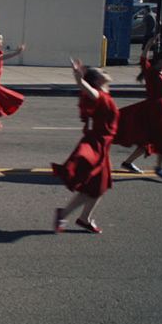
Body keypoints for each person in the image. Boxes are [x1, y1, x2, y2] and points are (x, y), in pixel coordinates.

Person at [51, 59, 118, 234]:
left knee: (99, 187)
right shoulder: (97, 94)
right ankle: (69, 215)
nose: (106, 72)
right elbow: (85, 87)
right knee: (95, 186)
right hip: (96, 145)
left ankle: (81, 218)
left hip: (103, 145)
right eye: (102, 72)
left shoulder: (104, 91)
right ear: (97, 80)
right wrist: (78, 78)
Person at [114, 37, 162, 180]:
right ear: (161, 61)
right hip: (154, 111)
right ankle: (159, 168)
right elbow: (143, 58)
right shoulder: (150, 72)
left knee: (147, 140)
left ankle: (128, 163)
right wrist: (149, 44)